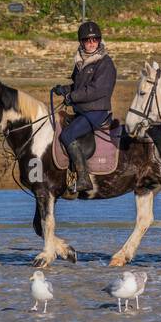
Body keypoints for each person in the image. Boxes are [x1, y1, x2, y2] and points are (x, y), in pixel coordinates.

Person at [52, 20, 117, 196]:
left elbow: (97, 90)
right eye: (87, 40)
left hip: (96, 111)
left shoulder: (105, 63)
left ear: (99, 41)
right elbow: (78, 86)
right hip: (82, 110)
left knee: (67, 135)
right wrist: (64, 90)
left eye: (95, 39)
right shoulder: (80, 61)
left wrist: (72, 97)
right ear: (81, 42)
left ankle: (83, 178)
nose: (91, 43)